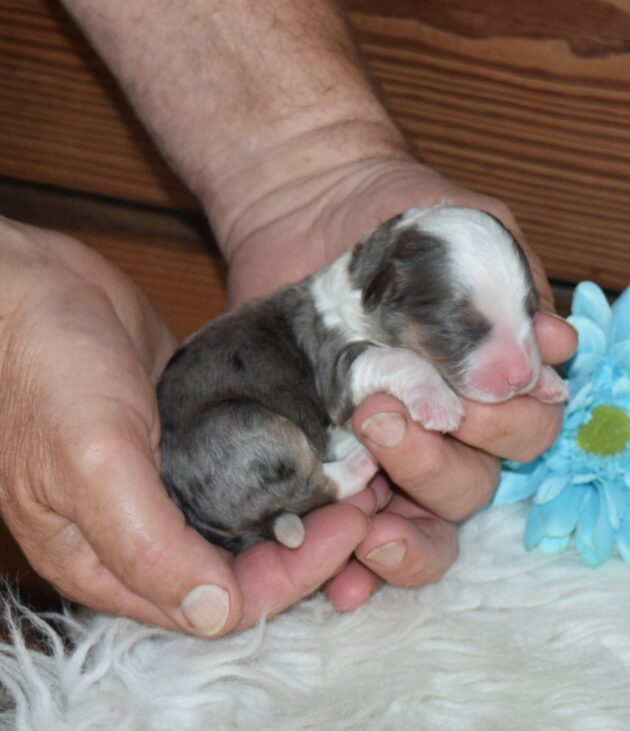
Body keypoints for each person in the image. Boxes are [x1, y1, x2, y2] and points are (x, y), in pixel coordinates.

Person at [0, 0, 577, 637]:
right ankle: (317, 490)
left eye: (523, 316)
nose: (518, 355)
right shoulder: (337, 327)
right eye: (467, 328)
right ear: (382, 292)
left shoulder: (373, 297)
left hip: (247, 434)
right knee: (286, 441)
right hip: (225, 445)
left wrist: (312, 165)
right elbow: (359, 375)